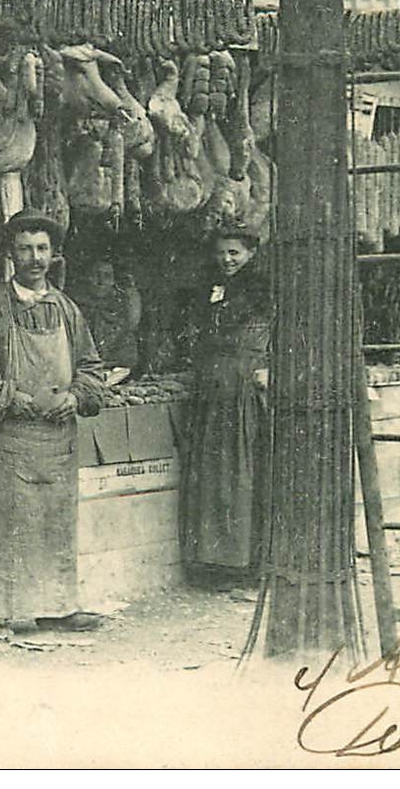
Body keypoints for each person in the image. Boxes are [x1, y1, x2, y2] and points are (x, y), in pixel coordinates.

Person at [0, 209, 107, 634]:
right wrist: (10, 397)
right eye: (25, 249)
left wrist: (77, 396)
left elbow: (92, 366)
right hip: (6, 437)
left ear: (53, 254)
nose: (35, 258)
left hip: (56, 442)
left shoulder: (67, 309)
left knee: (53, 526)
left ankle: (56, 607)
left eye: (42, 248)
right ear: (11, 255)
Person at [178, 225, 272, 587]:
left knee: (240, 472)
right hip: (213, 387)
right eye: (221, 253)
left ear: (250, 253)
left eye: (234, 253)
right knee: (213, 472)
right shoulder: (211, 288)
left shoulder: (261, 290)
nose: (227, 260)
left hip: (243, 386)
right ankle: (213, 562)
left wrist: (267, 366)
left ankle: (243, 562)